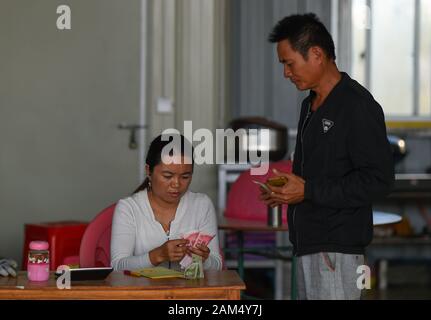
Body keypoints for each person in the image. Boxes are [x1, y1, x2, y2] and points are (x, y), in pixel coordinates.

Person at [261, 13, 394, 299]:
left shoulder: (358, 106)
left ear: (317, 54)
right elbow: (319, 174)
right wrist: (289, 190)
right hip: (308, 245)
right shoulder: (309, 105)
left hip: (338, 252)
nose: (286, 73)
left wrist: (308, 190)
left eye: (289, 63)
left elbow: (378, 181)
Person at [111, 134, 222, 271]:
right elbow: (117, 267)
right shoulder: (129, 208)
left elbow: (217, 265)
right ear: (148, 171)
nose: (176, 184)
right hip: (142, 291)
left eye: (185, 176)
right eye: (167, 176)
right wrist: (157, 255)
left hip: (189, 291)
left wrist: (204, 260)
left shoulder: (201, 205)